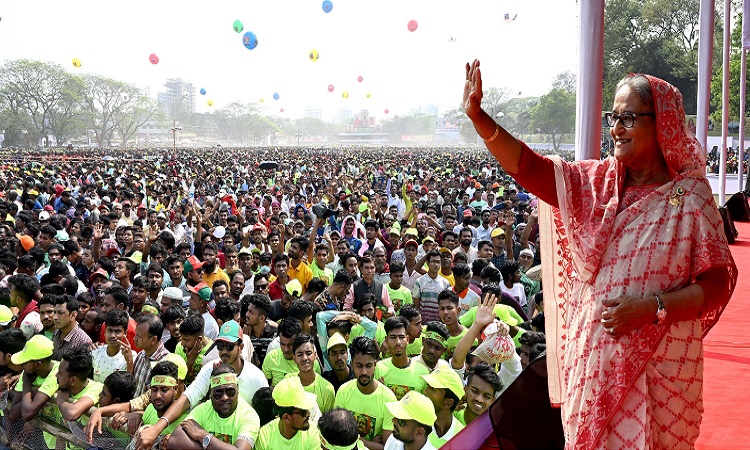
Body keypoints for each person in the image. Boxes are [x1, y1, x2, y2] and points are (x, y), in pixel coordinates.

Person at [464, 63, 737, 447]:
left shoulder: (689, 199)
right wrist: (480, 118)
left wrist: (651, 308)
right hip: (592, 367)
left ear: (664, 124)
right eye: (613, 117)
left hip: (659, 374)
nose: (615, 129)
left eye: (628, 118)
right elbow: (533, 169)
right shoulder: (596, 184)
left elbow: (716, 286)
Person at [136, 321, 267, 450]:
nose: (224, 351)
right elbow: (187, 398)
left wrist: (204, 437)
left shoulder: (256, 378)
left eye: (230, 346)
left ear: (241, 347)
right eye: (220, 346)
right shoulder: (209, 373)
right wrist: (156, 429)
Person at [164, 364, 260, 450]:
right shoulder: (203, 409)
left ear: (238, 389)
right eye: (218, 393)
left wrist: (203, 435)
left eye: (230, 392)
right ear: (210, 393)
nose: (224, 398)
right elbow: (174, 440)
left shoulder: (249, 416)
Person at [334, 337, 396, 450]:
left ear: (375, 365)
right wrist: (367, 442)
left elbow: (387, 447)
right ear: (351, 365)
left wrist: (354, 439)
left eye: (368, 366)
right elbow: (337, 437)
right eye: (359, 366)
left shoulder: (388, 398)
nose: (364, 372)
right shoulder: (343, 391)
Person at [255, 377, 321, 450]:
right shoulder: (264, 437)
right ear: (286, 418)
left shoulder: (313, 433)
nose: (308, 414)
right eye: (303, 412)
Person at [374, 317, 429, 400]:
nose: (398, 342)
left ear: (407, 340)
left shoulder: (423, 372)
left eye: (401, 337)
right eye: (393, 337)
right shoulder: (379, 368)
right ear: (386, 340)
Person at [288, 333, 336, 414]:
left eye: (308, 353)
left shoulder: (327, 389)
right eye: (300, 354)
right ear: (294, 359)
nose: (304, 358)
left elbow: (328, 423)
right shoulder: (288, 382)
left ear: (315, 356)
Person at [421, 367, 465, 448]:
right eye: (428, 386)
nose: (425, 391)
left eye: (433, 389)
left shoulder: (463, 440)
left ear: (448, 402)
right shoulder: (415, 427)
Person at [92, 309, 136, 383]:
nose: (112, 335)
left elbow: (129, 385)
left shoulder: (132, 356)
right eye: (110, 330)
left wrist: (129, 362)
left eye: (117, 331)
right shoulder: (96, 351)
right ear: (105, 331)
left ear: (125, 333)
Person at [51, 294, 92, 360]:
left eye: (60, 313)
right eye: (54, 312)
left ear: (73, 315)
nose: (55, 317)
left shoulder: (83, 341)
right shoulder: (56, 332)